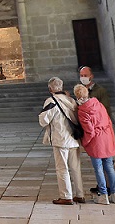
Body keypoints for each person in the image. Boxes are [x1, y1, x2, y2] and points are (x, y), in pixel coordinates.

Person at [38, 77, 84, 205]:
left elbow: (43, 120)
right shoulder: (71, 100)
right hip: (74, 138)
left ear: (50, 89)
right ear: (62, 87)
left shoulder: (51, 101)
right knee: (75, 168)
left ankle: (66, 196)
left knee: (62, 168)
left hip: (61, 139)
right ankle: (80, 195)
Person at [74, 84, 115, 205]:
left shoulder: (83, 111)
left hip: (96, 141)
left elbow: (89, 131)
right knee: (109, 167)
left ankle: (104, 195)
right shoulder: (98, 104)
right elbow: (108, 120)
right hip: (107, 137)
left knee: (98, 168)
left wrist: (85, 142)